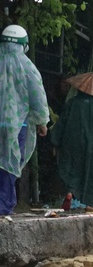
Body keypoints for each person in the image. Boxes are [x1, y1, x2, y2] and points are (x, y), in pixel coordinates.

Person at [0, 25, 49, 215]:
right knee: (10, 163)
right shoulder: (27, 66)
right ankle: (4, 206)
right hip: (17, 125)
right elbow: (37, 95)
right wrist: (42, 121)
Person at [49, 73, 93, 211]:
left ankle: (70, 192)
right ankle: (91, 204)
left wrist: (55, 142)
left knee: (72, 169)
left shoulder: (71, 103)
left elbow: (61, 124)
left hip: (71, 144)